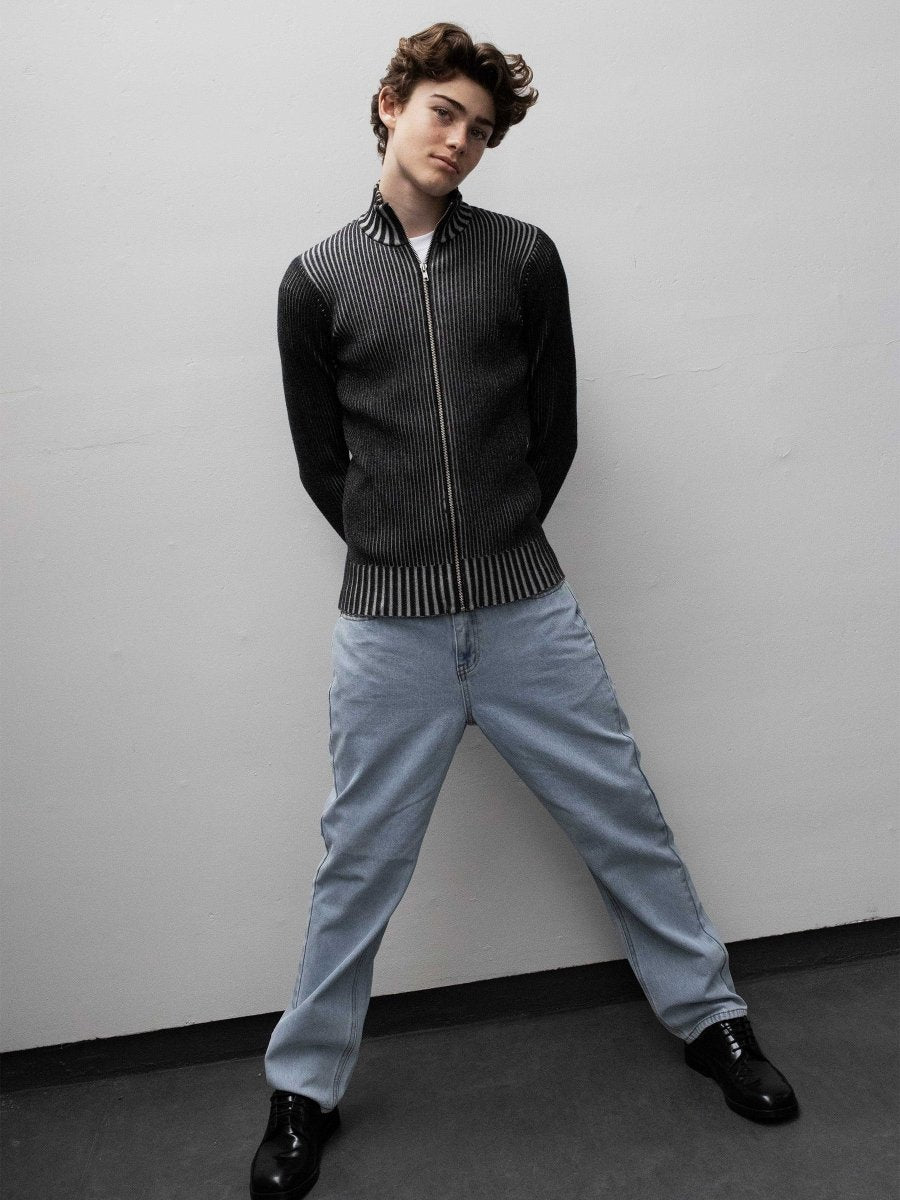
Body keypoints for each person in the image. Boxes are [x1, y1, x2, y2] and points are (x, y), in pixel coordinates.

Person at [250, 21, 799, 1199]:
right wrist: (405, 552)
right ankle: (302, 1092)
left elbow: (556, 429)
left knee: (625, 816)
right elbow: (322, 463)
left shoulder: (523, 258)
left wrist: (493, 541)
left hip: (524, 613)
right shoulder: (315, 281)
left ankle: (715, 1023)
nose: (460, 140)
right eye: (444, 112)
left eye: (482, 129)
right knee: (357, 863)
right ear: (392, 104)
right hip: (388, 627)